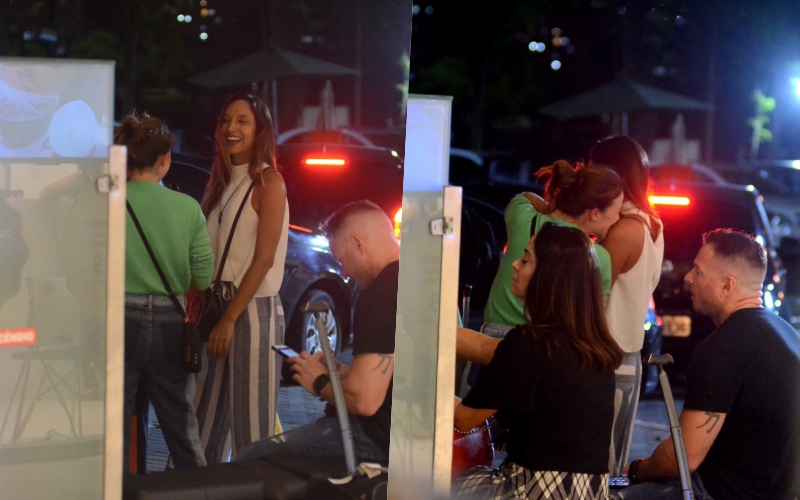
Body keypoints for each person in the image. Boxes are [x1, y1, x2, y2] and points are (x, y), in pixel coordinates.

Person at [613, 229, 800, 500]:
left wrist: (637, 470)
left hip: (720, 492)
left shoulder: (724, 347)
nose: (688, 277)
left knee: (612, 493)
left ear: (727, 285)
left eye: (698, 271)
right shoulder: (787, 334)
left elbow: (682, 458)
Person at [454, 222, 625, 499]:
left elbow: (464, 419)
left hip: (536, 489)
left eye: (525, 259)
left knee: (438, 483)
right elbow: (489, 347)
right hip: (590, 492)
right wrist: (433, 331)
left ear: (549, 276)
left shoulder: (530, 344)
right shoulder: (590, 344)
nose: (514, 265)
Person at [235, 200, 398, 463]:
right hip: (404, 434)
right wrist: (343, 373)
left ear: (359, 243)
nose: (344, 272)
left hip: (374, 439)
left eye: (342, 260)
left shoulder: (379, 296)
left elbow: (364, 401)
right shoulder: (415, 280)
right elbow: (389, 375)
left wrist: (320, 382)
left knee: (250, 457)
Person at [462, 160, 623, 395]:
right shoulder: (598, 256)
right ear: (595, 213)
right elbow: (594, 314)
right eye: (617, 212)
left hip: (491, 338)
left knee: (478, 426)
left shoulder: (525, 221)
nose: (618, 219)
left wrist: (551, 210)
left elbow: (523, 196)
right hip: (546, 353)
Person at [192, 92, 289, 463]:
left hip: (253, 309)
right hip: (216, 305)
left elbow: (263, 260)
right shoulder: (218, 180)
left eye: (242, 121)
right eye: (225, 120)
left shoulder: (269, 182)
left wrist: (230, 319)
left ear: (260, 130)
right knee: (202, 419)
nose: (231, 128)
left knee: (253, 426)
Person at [117, 112, 214, 470]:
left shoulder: (107, 202)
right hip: (172, 327)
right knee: (181, 427)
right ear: (164, 160)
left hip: (119, 321)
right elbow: (203, 277)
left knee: (117, 426)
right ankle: (200, 492)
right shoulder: (186, 207)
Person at [589, 135, 664, 475]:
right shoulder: (653, 224)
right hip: (625, 359)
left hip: (606, 361)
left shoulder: (623, 230)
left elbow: (591, 294)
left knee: (596, 472)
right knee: (610, 468)